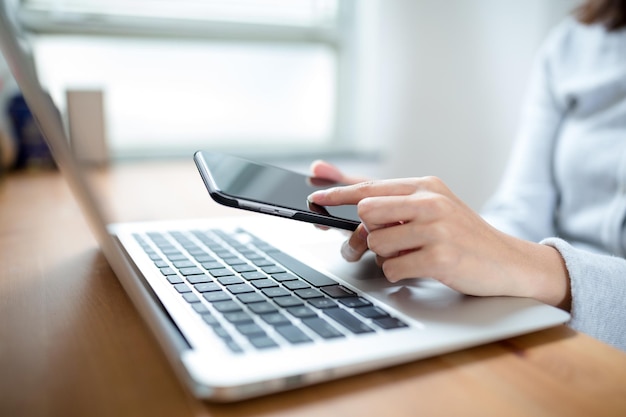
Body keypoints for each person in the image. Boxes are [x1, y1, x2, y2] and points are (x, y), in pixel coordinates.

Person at [307, 0, 626, 352]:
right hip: (551, 328)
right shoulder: (574, 41)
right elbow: (522, 212)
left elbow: (518, 257)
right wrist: (430, 230)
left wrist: (542, 269)